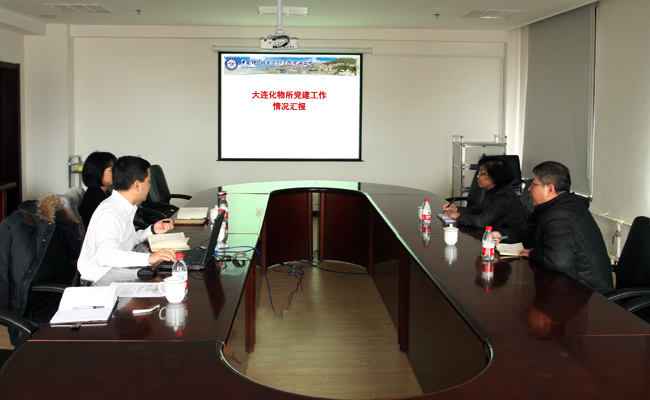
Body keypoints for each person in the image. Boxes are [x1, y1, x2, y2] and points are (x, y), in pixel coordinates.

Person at [493, 161, 613, 294]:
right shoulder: (567, 204)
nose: (529, 189)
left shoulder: (559, 215)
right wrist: (503, 235)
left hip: (587, 293)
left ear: (550, 189)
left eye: (533, 184)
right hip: (579, 284)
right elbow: (538, 236)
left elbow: (558, 261)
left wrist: (533, 253)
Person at [77, 156, 177, 283]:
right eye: (148, 181)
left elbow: (127, 241)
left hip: (116, 272)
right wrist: (149, 258)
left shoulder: (123, 206)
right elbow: (105, 256)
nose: (149, 186)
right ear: (137, 185)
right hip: (100, 281)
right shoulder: (109, 213)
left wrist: (151, 230)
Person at [443, 156, 528, 230]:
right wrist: (457, 209)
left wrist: (459, 216)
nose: (478, 176)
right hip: (496, 232)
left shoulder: (504, 196)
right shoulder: (493, 189)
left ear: (494, 176)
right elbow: (480, 209)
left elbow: (482, 222)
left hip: (509, 236)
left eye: (481, 173)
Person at [78, 151, 117, 229]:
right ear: (97, 171)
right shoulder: (95, 198)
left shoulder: (103, 192)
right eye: (111, 169)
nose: (115, 173)